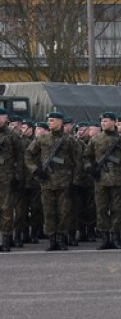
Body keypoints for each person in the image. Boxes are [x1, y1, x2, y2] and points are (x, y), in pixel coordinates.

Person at [25, 112, 83, 251]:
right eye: (49, 121)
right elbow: (28, 154)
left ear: (60, 122)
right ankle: (52, 239)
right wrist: (35, 170)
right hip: (47, 182)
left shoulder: (69, 140)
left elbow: (78, 161)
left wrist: (76, 181)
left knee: (64, 212)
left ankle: (62, 238)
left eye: (52, 120)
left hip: (65, 182)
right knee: (49, 212)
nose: (49, 123)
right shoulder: (42, 139)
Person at [83, 111, 121, 250]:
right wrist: (90, 168)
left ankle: (116, 237)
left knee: (117, 210)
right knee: (101, 209)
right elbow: (87, 156)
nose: (103, 123)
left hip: (118, 179)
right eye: (102, 121)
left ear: (113, 122)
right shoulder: (96, 139)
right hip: (100, 179)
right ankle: (105, 238)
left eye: (106, 121)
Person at [0, 107, 25, 253]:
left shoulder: (12, 136)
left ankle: (6, 240)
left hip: (7, 178)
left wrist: (18, 177)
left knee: (6, 209)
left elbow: (20, 158)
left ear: (5, 118)